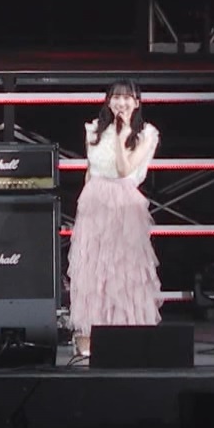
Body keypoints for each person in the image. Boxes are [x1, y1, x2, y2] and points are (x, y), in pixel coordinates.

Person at [67, 80, 162, 358]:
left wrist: (122, 136)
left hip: (124, 204)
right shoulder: (94, 130)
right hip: (95, 202)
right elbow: (90, 169)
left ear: (137, 103)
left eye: (127, 98)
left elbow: (124, 170)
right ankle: (90, 335)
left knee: (124, 271)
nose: (121, 103)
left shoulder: (147, 134)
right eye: (116, 97)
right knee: (95, 271)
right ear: (108, 101)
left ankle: (128, 334)